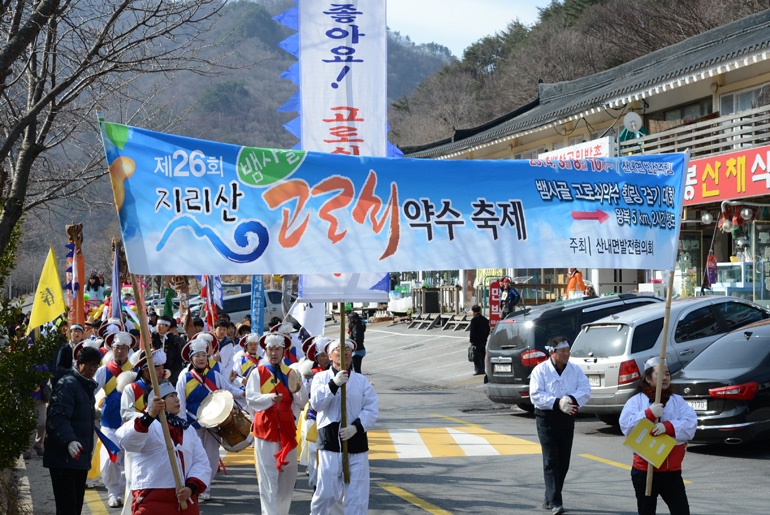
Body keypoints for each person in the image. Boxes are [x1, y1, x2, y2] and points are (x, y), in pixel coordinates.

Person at [117, 380, 210, 514]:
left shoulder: (186, 428)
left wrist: (191, 487)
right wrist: (149, 416)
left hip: (184, 499)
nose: (177, 399)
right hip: (152, 498)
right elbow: (127, 441)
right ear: (157, 401)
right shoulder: (145, 424)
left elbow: (201, 462)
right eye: (170, 396)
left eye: (175, 395)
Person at [619, 357, 697, 515]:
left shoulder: (677, 401)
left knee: (681, 511)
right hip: (645, 471)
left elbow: (691, 425)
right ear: (648, 378)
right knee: (646, 511)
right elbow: (626, 426)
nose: (665, 377)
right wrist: (647, 414)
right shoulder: (636, 401)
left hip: (671, 471)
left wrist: (668, 427)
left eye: (667, 373)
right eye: (660, 374)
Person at [310, 338, 378, 515]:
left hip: (356, 443)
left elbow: (371, 408)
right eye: (339, 349)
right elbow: (317, 404)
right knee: (327, 493)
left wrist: (356, 427)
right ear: (330, 356)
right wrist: (333, 384)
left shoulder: (361, 381)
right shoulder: (320, 378)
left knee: (357, 496)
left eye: (347, 349)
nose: (344, 352)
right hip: (331, 443)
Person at [245, 332, 307, 515]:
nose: (273, 353)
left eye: (277, 349)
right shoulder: (258, 372)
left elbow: (302, 402)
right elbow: (251, 398)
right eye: (270, 349)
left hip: (287, 429)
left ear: (283, 351)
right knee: (268, 478)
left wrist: (298, 387)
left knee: (287, 478)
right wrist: (270, 398)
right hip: (266, 430)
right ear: (266, 351)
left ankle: (281, 512)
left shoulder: (291, 373)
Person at [176, 337, 245, 501]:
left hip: (214, 424)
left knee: (211, 457)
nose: (201, 359)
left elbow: (228, 390)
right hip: (193, 426)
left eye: (203, 356)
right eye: (197, 356)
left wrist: (243, 393)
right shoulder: (184, 378)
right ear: (191, 359)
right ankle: (191, 486)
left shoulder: (215, 375)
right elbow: (180, 403)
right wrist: (183, 424)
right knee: (192, 457)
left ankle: (205, 487)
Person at [529, 336, 591, 515]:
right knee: (551, 460)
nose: (566, 354)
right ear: (552, 352)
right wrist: (556, 402)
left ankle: (550, 497)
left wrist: (570, 399)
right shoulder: (540, 370)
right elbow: (536, 395)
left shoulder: (575, 369)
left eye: (568, 350)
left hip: (567, 417)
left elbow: (585, 389)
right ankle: (556, 501)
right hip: (547, 418)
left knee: (563, 460)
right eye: (562, 351)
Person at [43, 345, 101, 515]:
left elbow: (78, 414)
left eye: (95, 366)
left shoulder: (85, 385)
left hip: (79, 457)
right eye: (88, 364)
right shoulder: (68, 384)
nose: (92, 369)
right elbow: (57, 417)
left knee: (75, 508)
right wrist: (69, 440)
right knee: (67, 508)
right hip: (64, 457)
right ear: (78, 363)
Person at [94, 331, 137, 507]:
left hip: (131, 422)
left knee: (132, 459)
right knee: (110, 459)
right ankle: (113, 492)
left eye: (124, 348)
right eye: (117, 348)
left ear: (128, 350)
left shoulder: (136, 369)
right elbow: (92, 392)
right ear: (112, 348)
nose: (120, 351)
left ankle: (129, 493)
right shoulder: (104, 371)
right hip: (110, 422)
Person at [152, 315, 184, 384]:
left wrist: (170, 371)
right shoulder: (152, 339)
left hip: (171, 376)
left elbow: (178, 360)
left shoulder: (174, 340)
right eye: (157, 324)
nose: (158, 326)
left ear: (167, 327)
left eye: (161, 325)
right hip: (154, 374)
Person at [468, 305, 490, 375]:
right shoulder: (485, 319)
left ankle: (478, 370)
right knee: (482, 355)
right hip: (483, 340)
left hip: (476, 341)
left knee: (476, 356)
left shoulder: (474, 320)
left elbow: (472, 331)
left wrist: (471, 340)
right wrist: (485, 337)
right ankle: (482, 369)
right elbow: (488, 330)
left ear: (473, 311)